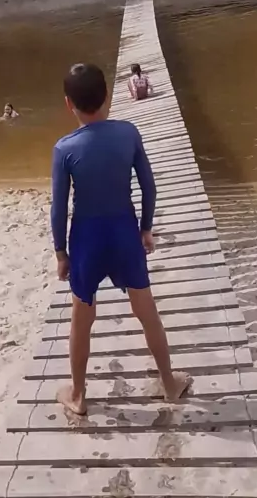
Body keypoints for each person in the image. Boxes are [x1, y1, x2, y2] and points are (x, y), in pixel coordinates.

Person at [50, 63, 192, 416]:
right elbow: (149, 187)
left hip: (86, 241)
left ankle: (78, 395)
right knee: (146, 311)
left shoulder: (64, 148)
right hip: (125, 233)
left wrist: (61, 253)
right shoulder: (128, 133)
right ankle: (169, 383)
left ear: (68, 104)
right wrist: (146, 228)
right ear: (107, 96)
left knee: (81, 319)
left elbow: (59, 207)